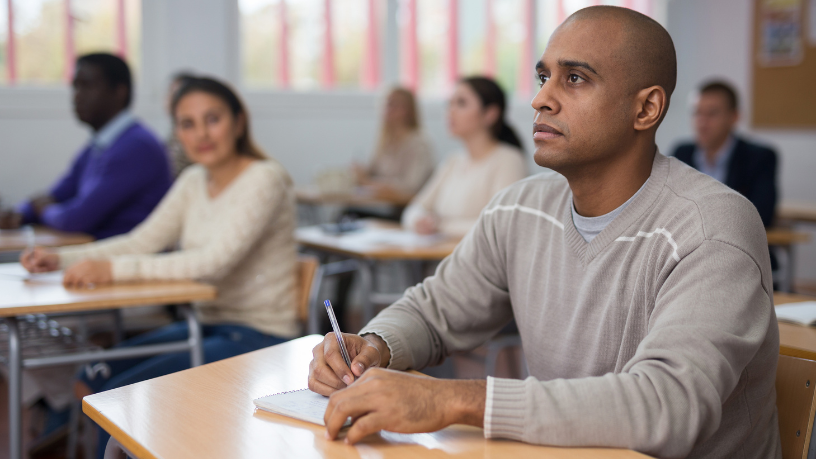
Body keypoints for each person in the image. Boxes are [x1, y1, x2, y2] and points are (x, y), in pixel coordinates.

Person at [308, 6, 780, 458]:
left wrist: (452, 400)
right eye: (543, 77)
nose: (540, 100)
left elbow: (666, 405)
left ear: (646, 109)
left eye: (575, 78)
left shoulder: (713, 228)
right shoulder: (520, 208)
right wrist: (374, 347)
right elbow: (434, 311)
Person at [21, 77, 299, 458]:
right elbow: (140, 241)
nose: (201, 134)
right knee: (90, 377)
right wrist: (62, 258)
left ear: (238, 122)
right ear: (177, 133)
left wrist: (112, 271)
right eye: (187, 124)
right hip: (202, 324)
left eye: (213, 119)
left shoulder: (265, 178)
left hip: (259, 335)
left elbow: (212, 264)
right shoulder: (193, 180)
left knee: (114, 401)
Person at [0, 53, 171, 239]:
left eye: (87, 86)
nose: (77, 96)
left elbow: (75, 220)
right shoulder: (99, 145)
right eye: (75, 86)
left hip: (128, 254)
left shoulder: (137, 147)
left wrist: (44, 210)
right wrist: (20, 213)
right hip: (98, 250)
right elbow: (58, 193)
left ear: (119, 92)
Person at [401, 77, 528, 237]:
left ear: (490, 114)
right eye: (449, 104)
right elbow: (414, 209)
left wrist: (440, 226)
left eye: (461, 103)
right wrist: (418, 221)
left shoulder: (508, 160)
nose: (450, 111)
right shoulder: (453, 161)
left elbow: (500, 225)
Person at [673, 80, 778, 227]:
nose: (702, 122)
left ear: (734, 117)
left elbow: (761, 214)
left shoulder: (759, 158)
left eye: (712, 113)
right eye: (697, 113)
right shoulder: (682, 154)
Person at [353, 87, 435, 197]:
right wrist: (360, 173)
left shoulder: (419, 143)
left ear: (406, 110)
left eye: (392, 104)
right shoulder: (386, 140)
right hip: (382, 201)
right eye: (385, 104)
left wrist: (367, 182)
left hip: (403, 204)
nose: (386, 109)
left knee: (351, 208)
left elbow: (410, 187)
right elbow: (372, 171)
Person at [166, 71, 198, 178]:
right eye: (169, 92)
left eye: (176, 94)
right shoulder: (173, 131)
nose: (170, 99)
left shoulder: (194, 134)